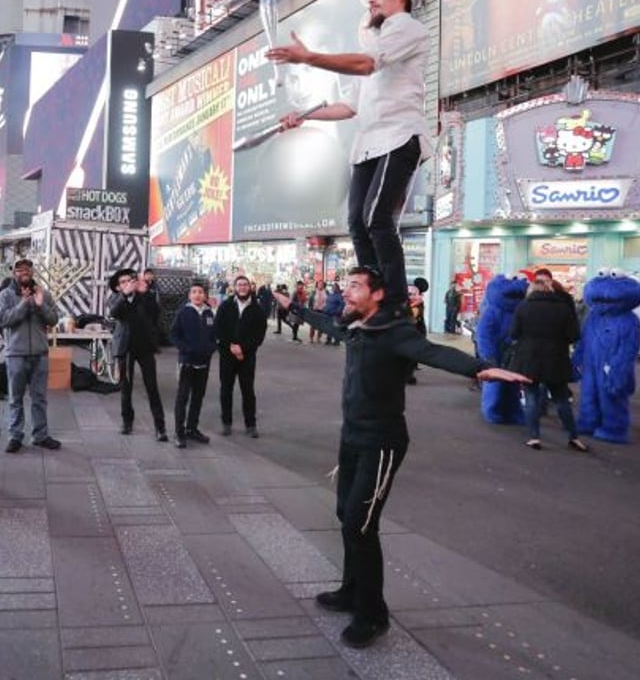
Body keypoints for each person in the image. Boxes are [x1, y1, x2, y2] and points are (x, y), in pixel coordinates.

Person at [279, 267, 528, 648]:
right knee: (347, 515)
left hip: (382, 442)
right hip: (352, 438)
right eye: (346, 286)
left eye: (355, 287)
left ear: (378, 294)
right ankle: (351, 591)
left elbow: (433, 353)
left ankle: (373, 614)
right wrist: (294, 307)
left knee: (361, 525)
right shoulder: (360, 328)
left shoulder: (395, 334)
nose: (346, 293)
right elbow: (329, 325)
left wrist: (480, 368)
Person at [268, 0, 429, 315]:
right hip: (368, 142)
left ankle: (395, 301)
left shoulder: (406, 27)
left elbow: (367, 65)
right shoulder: (374, 41)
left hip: (399, 136)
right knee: (356, 221)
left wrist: (310, 58)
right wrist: (305, 115)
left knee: (376, 218)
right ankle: (372, 289)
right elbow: (349, 107)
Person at [508, 277, 588, 451]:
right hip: (556, 359)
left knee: (531, 398)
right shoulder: (563, 308)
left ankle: (534, 437)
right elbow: (574, 335)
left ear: (532, 290)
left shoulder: (523, 307)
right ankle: (573, 437)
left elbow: (514, 333)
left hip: (528, 359)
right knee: (561, 400)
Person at [0, 258, 63, 453]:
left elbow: (53, 320)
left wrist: (40, 305)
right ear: (13, 272)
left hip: (40, 354)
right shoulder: (5, 295)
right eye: (19, 269)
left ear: (33, 271)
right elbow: (4, 320)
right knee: (15, 398)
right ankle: (15, 435)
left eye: (27, 268)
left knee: (39, 398)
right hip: (16, 354)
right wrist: (25, 304)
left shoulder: (44, 294)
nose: (24, 271)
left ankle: (40, 435)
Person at [108, 267, 167, 440]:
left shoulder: (144, 297)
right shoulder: (115, 298)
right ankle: (127, 421)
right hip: (125, 347)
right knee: (126, 387)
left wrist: (146, 293)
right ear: (118, 287)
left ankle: (160, 427)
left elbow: (156, 314)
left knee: (152, 387)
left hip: (144, 347)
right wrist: (125, 296)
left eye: (130, 280)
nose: (127, 284)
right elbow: (114, 313)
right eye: (123, 282)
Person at [214, 275, 267, 437]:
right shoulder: (225, 306)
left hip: (247, 357)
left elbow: (259, 335)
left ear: (250, 287)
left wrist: (242, 348)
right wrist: (230, 346)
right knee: (226, 390)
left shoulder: (257, 309)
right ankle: (226, 423)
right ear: (234, 287)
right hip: (227, 355)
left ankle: (250, 425)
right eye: (239, 285)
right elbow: (218, 329)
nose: (242, 288)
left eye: (245, 285)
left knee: (248, 391)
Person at [169, 280, 216, 448]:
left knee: (198, 397)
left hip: (203, 363)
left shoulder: (209, 313)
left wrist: (211, 348)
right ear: (189, 295)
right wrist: (186, 349)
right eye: (194, 292)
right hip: (187, 363)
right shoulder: (183, 312)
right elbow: (173, 335)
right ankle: (179, 432)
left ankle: (192, 428)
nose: (197, 295)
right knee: (182, 398)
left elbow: (214, 335)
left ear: (205, 295)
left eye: (200, 292)